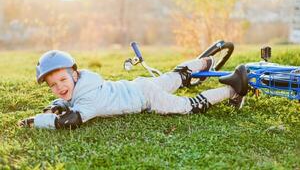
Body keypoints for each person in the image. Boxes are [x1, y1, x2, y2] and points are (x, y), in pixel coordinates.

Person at [19, 50, 248, 129]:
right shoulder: (86, 83)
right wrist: (57, 105)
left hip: (146, 98)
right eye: (53, 85)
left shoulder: (89, 101)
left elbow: (69, 122)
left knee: (189, 106)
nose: (59, 87)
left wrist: (34, 121)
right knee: (175, 77)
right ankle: (205, 61)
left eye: (62, 80)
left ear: (74, 74)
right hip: (139, 85)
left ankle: (234, 89)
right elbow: (68, 103)